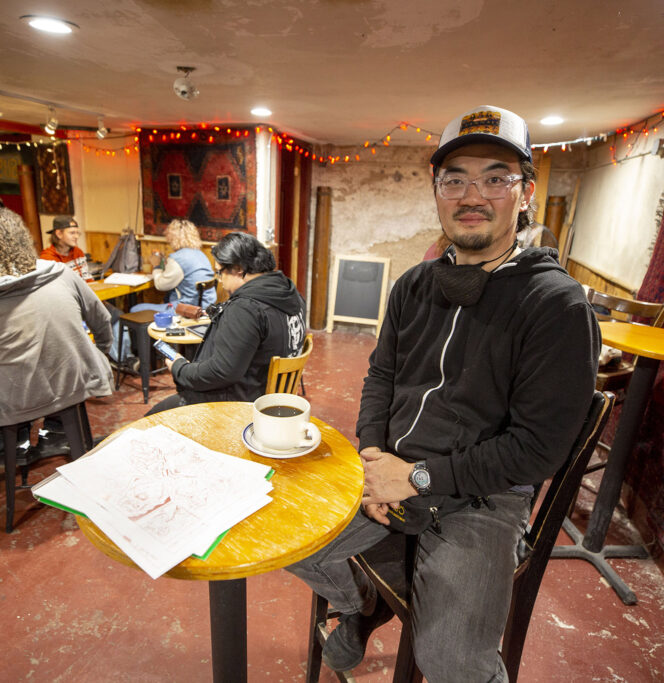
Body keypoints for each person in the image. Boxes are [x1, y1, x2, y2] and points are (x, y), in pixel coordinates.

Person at [287, 105, 601, 682]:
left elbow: (536, 448)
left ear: (525, 193)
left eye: (495, 178)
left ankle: (406, 597)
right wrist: (376, 456)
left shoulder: (555, 305)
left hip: (484, 496)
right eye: (454, 179)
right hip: (391, 465)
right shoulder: (414, 285)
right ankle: (363, 605)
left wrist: (416, 479)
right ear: (437, 192)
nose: (471, 194)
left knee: (453, 662)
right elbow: (381, 376)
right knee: (290, 538)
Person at [0, 208, 113, 463]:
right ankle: (52, 431)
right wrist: (100, 352)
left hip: (16, 394)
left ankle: (11, 442)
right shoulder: (62, 273)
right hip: (74, 382)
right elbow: (102, 320)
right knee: (54, 353)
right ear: (24, 237)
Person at [147, 231, 305, 414]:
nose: (219, 280)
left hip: (238, 404)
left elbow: (221, 373)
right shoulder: (291, 294)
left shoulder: (246, 309)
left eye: (219, 272)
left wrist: (180, 368)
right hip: (271, 397)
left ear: (239, 269)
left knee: (150, 420)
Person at [131, 219, 217, 313]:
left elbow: (161, 285)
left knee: (135, 309)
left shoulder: (178, 258)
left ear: (173, 237)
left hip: (189, 309)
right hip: (206, 306)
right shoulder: (201, 254)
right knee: (168, 297)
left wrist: (156, 266)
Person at [40, 215, 92, 281]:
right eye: (72, 233)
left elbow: (87, 279)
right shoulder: (47, 258)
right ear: (59, 234)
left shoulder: (78, 252)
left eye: (77, 233)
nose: (76, 236)